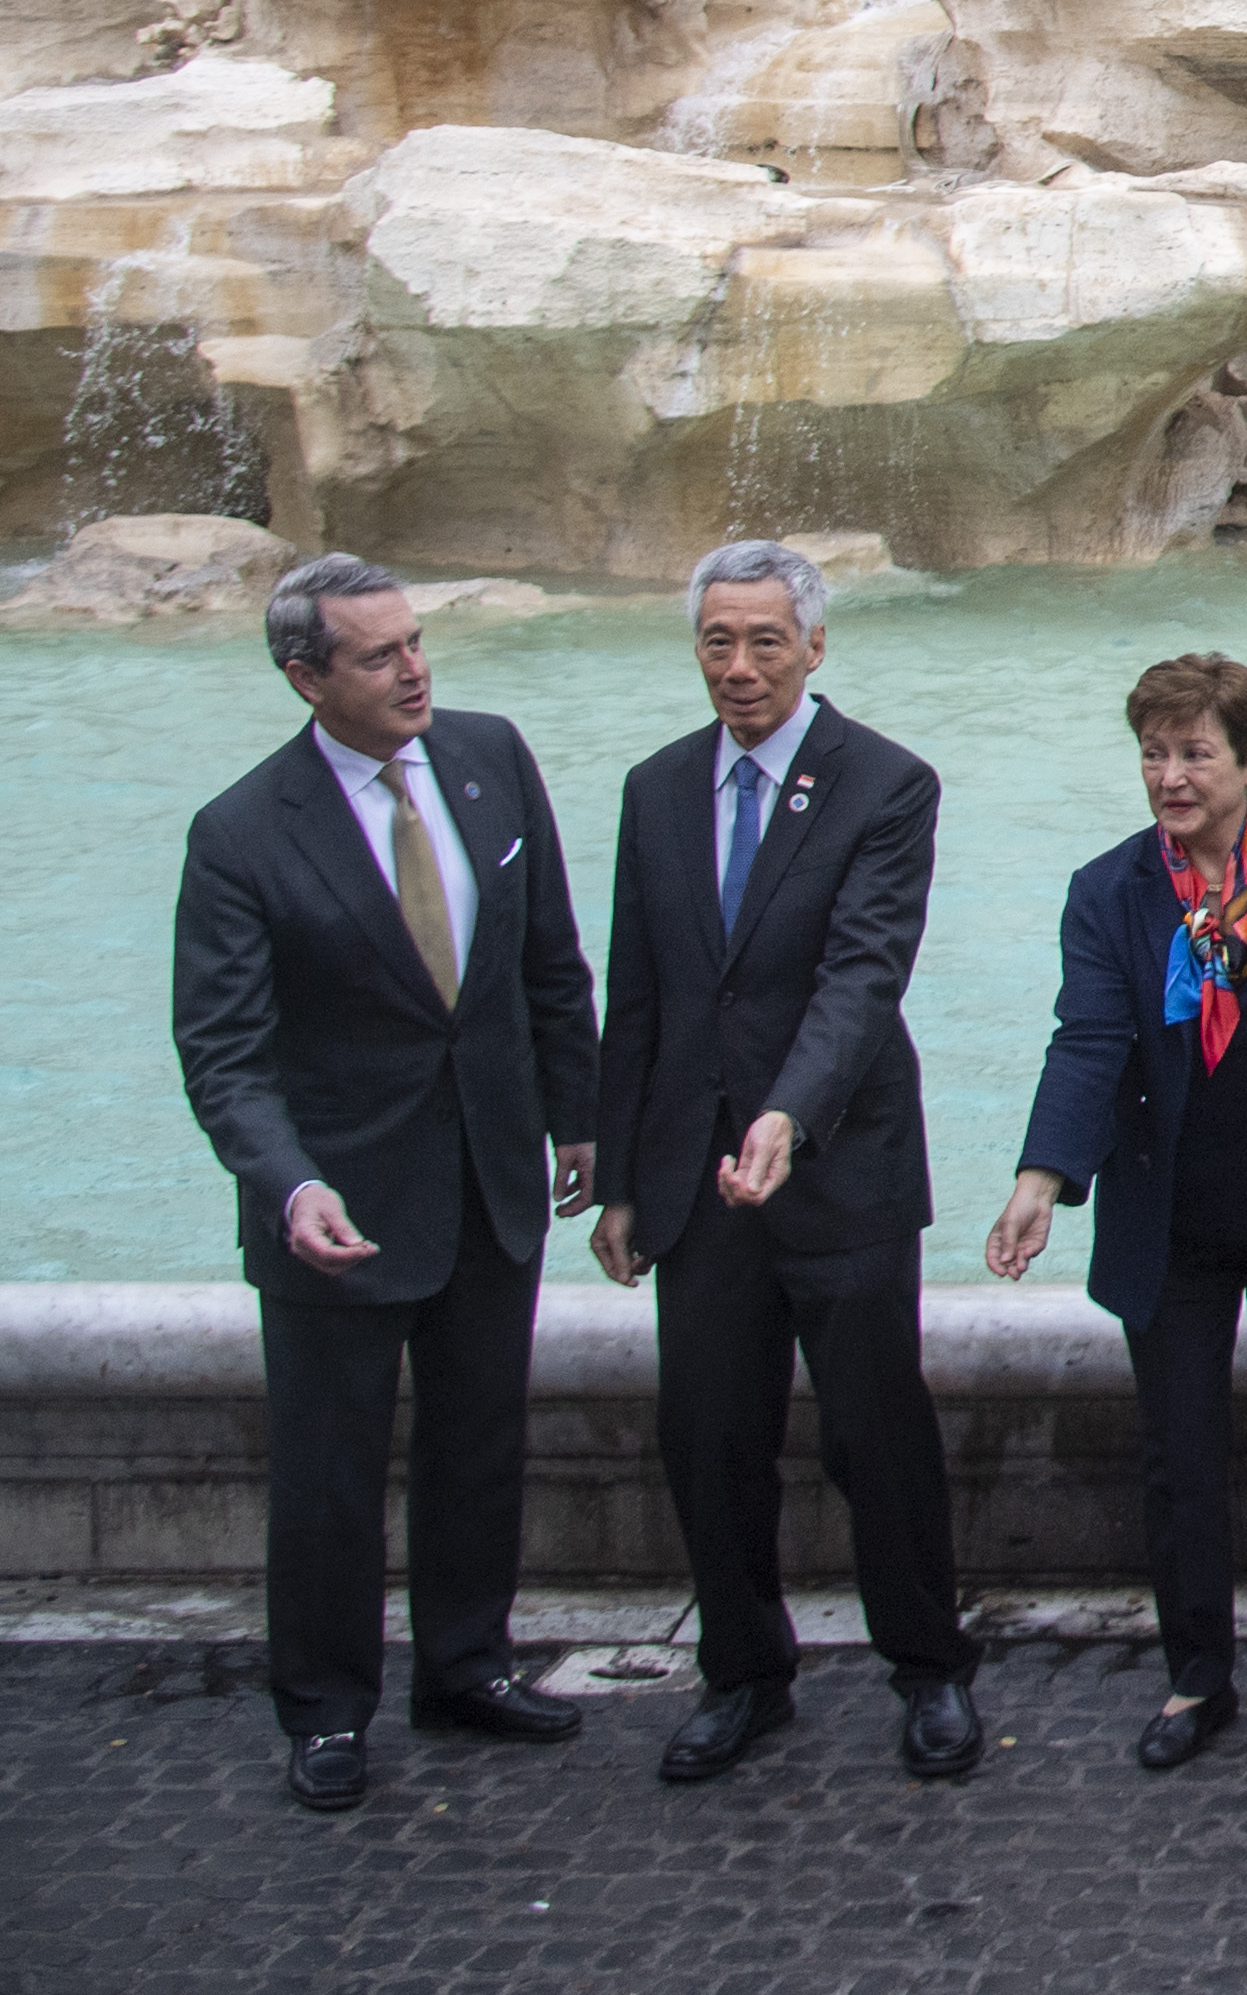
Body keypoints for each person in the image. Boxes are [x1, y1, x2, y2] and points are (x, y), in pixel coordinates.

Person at [171, 553, 599, 1814]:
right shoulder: (241, 832)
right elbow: (224, 1052)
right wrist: (287, 1182)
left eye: (415, 641)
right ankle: (323, 1710)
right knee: (328, 1477)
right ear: (306, 677)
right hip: (336, 1212)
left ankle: (466, 1667)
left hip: (487, 1181)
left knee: (480, 1445)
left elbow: (549, 958)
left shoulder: (491, 754)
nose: (415, 669)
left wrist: (579, 1120)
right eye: (379, 654)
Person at [585, 541, 980, 1785]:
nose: (740, 665)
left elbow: (863, 974)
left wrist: (788, 1118)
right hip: (695, 1182)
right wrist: (620, 1178)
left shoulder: (886, 782)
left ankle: (929, 1667)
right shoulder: (655, 787)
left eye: (765, 640)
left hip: (841, 1165)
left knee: (877, 1435)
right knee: (708, 1436)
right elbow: (638, 992)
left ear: (814, 644)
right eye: (719, 640)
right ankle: (743, 1674)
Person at [988, 654, 1247, 1773]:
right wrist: (1041, 1178)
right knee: (1178, 1457)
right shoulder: (1109, 888)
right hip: (1170, 1216)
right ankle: (1196, 1675)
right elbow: (1088, 1039)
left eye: (1194, 753)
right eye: (1154, 753)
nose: (1170, 776)